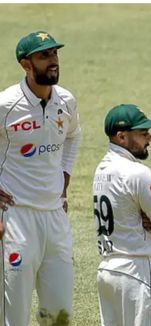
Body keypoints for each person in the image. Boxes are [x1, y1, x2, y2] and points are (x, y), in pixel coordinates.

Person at [0, 31, 81, 325]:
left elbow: (73, 136)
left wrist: (65, 179)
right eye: (44, 56)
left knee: (59, 311)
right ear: (26, 64)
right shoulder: (5, 104)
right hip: (15, 217)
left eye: (55, 54)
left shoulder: (67, 101)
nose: (53, 61)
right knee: (14, 312)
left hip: (55, 216)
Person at [93, 104, 151, 326]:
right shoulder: (138, 173)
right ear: (122, 137)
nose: (149, 138)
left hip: (107, 271)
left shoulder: (101, 169)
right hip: (136, 270)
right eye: (143, 133)